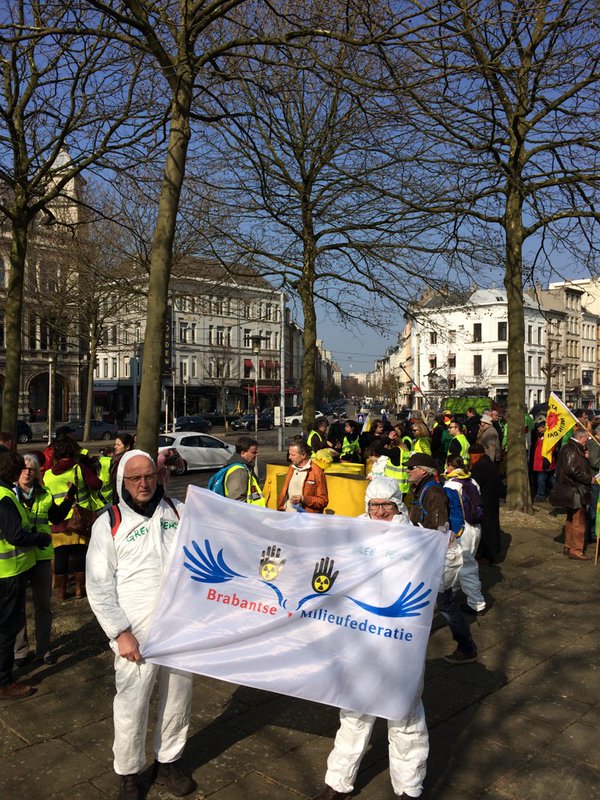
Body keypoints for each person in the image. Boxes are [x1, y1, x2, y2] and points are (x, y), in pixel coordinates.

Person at [86, 450, 197, 800]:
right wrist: (120, 632)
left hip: (179, 628)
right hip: (135, 634)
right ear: (123, 481)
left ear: (158, 476)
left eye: (148, 475)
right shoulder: (109, 523)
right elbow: (98, 585)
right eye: (134, 478)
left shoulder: (178, 512)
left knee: (178, 699)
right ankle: (129, 772)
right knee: (132, 703)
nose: (143, 483)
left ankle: (169, 761)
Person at [315, 477, 428, 800]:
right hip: (360, 639)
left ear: (398, 505)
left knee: (404, 714)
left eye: (386, 505)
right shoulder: (354, 535)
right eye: (374, 506)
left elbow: (445, 579)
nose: (379, 512)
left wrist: (447, 552)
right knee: (354, 711)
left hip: (400, 642)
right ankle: (338, 781)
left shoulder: (418, 539)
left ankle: (408, 786)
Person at [407, 453, 477, 664]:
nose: (407, 470)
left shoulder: (433, 492)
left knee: (446, 604)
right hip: (427, 554)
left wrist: (428, 553)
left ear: (422, 471)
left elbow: (438, 528)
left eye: (411, 467)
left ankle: (466, 648)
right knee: (429, 600)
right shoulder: (422, 488)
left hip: (436, 556)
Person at [13, 454, 75, 667]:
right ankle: (20, 651)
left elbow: (56, 518)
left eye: (31, 469)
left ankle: (43, 649)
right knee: (18, 605)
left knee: (43, 605)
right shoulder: (9, 494)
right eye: (23, 468)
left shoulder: (45, 493)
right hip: (18, 556)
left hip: (41, 556)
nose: (27, 472)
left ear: (37, 473)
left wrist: (69, 499)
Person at [0, 450, 52, 699]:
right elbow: (15, 535)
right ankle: (4, 681)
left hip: (12, 570)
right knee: (7, 628)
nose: (26, 472)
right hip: (8, 573)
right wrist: (40, 538)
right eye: (21, 467)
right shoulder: (5, 497)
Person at [42, 436, 102, 600]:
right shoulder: (78, 469)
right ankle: (79, 589)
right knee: (79, 554)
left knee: (60, 555)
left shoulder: (47, 475)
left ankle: (61, 592)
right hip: (78, 520)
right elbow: (96, 485)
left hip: (56, 522)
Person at [444, 455, 486, 616]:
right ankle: (453, 591)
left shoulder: (451, 485)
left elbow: (451, 510)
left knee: (466, 566)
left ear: (449, 466)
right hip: (475, 528)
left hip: (462, 530)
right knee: (462, 563)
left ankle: (477, 603)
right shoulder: (472, 481)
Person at [554, 428, 594, 561]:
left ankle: (568, 545)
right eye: (586, 438)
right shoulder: (572, 449)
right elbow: (572, 469)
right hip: (575, 489)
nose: (587, 440)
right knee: (578, 520)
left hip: (571, 489)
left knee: (571, 518)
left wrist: (585, 457)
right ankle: (576, 550)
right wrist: (589, 479)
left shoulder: (572, 448)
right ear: (581, 437)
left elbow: (574, 466)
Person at [469, 444, 503, 564]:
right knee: (491, 526)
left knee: (487, 528)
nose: (470, 460)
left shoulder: (480, 466)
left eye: (471, 457)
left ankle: (488, 555)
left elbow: (474, 484)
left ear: (477, 455)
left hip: (486, 501)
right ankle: (489, 553)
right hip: (491, 500)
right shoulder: (488, 463)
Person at [278, 440, 328, 513]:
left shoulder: (317, 472)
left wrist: (304, 499)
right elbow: (284, 493)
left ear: (303, 455)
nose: (289, 457)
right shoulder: (291, 468)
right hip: (288, 515)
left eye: (293, 455)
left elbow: (323, 501)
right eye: (289, 454)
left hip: (306, 517)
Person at [222, 436, 265, 505]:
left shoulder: (244, 468)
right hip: (247, 511)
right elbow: (237, 500)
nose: (256, 455)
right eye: (253, 452)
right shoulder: (239, 472)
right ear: (243, 453)